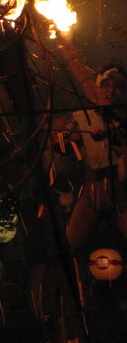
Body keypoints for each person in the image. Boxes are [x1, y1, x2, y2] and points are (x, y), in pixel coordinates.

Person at [64, 65, 127, 251]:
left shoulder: (123, 119)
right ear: (98, 88)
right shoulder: (81, 118)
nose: (111, 92)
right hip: (93, 184)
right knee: (73, 238)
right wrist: (69, 139)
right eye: (106, 86)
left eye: (117, 87)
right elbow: (63, 142)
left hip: (120, 186)